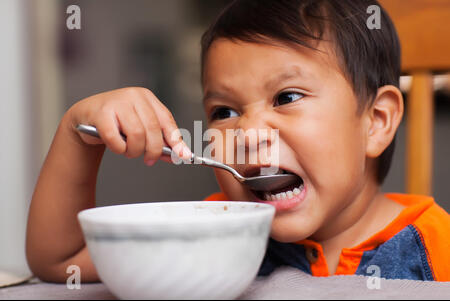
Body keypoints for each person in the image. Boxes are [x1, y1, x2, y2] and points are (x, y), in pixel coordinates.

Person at [26, 0, 450, 283]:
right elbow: (61, 263)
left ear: (375, 123)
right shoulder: (212, 231)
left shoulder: (436, 247)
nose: (247, 135)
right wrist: (76, 137)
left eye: (286, 98)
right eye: (223, 112)